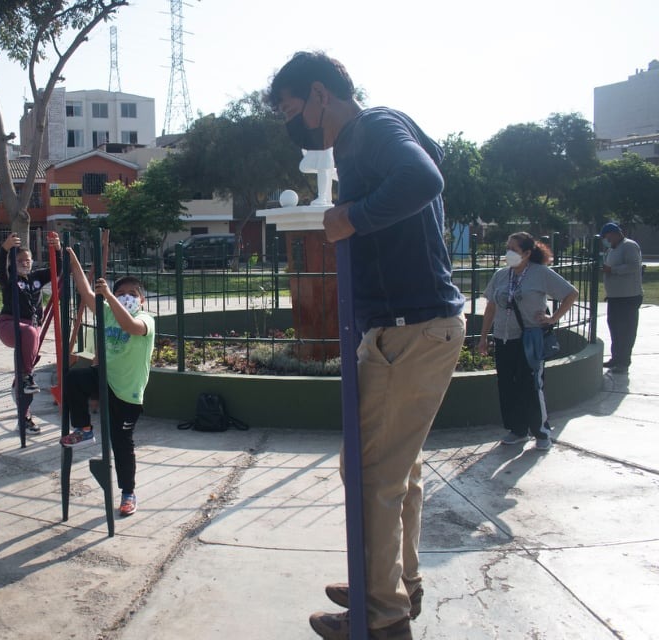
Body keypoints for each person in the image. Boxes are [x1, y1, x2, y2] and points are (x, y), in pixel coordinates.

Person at [266, 51, 466, 639]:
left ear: (321, 94)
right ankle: (390, 581)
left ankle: (381, 616)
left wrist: (353, 217)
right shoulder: (375, 134)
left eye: (293, 111)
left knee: (372, 472)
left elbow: (426, 178)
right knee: (397, 472)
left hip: (410, 329)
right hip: (412, 327)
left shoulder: (373, 127)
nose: (294, 126)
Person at [60, 248, 155, 518]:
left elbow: (131, 328)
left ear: (142, 300)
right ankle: (84, 428)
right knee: (74, 378)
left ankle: (128, 493)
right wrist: (73, 260)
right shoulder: (107, 312)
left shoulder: (146, 319)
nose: (127, 297)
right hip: (104, 377)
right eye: (122, 293)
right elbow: (85, 291)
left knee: (121, 443)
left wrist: (111, 297)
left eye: (133, 294)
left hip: (127, 392)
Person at [478, 233, 579, 450]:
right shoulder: (501, 275)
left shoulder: (540, 274)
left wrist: (553, 318)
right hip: (504, 338)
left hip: (530, 339)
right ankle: (517, 429)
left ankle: (540, 431)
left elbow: (571, 293)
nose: (509, 252)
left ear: (527, 253)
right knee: (507, 385)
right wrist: (484, 336)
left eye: (513, 249)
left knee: (531, 385)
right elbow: (491, 307)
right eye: (507, 247)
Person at [0, 233, 61, 406]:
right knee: (30, 335)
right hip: (9, 323)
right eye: (20, 261)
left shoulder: (36, 277)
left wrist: (57, 249)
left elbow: (58, 269)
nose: (25, 263)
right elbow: (0, 270)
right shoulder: (9, 279)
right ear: (13, 264)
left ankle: (24, 409)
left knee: (27, 359)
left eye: (28, 260)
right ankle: (27, 376)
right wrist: (5, 249)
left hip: (31, 326)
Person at [600, 222, 643, 375]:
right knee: (615, 329)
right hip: (615, 297)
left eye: (607, 236)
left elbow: (634, 266)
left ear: (614, 233)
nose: (606, 240)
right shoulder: (612, 249)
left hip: (628, 297)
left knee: (626, 330)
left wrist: (613, 270)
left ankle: (624, 362)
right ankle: (616, 358)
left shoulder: (629, 246)